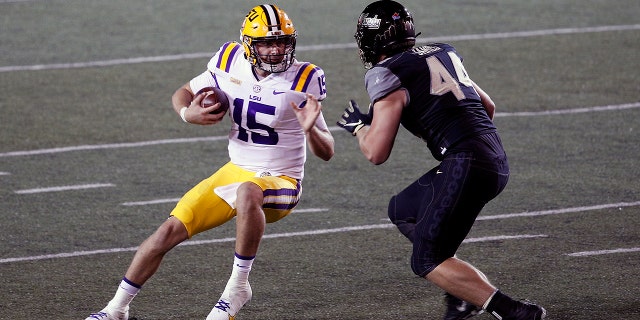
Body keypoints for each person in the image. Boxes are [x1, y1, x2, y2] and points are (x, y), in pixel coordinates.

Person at [85, 4, 334, 320]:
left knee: (247, 191)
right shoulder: (229, 61)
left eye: (282, 41)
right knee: (166, 232)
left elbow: (327, 151)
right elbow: (185, 92)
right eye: (266, 43)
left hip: (281, 180)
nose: (276, 50)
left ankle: (237, 288)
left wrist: (310, 128)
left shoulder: (305, 78)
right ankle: (116, 308)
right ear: (247, 45)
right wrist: (188, 114)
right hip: (235, 170)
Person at [337, 1, 546, 319]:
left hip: (466, 162)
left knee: (425, 260)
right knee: (403, 211)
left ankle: (513, 311)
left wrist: (358, 128)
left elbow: (376, 152)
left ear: (370, 41)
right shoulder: (442, 52)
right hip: (492, 156)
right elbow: (487, 107)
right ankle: (461, 293)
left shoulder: (386, 73)